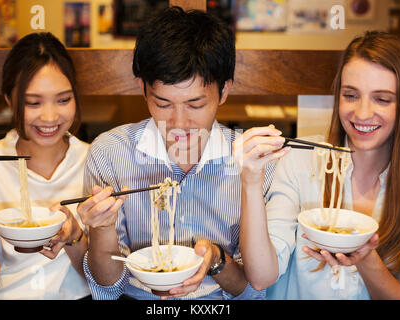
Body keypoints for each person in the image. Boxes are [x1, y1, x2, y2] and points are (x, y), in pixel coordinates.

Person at [77, 7, 275, 300]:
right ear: (143, 89)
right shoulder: (109, 153)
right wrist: (102, 229)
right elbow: (109, 288)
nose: (179, 123)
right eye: (163, 104)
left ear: (224, 92)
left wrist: (217, 260)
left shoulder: (254, 163)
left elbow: (255, 290)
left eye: (195, 105)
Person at [235, 31, 400, 299]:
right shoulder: (300, 160)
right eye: (351, 95)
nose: (362, 113)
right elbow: (261, 277)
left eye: (382, 99)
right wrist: (250, 181)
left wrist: (365, 258)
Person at [0, 32, 91, 299]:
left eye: (64, 100)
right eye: (33, 102)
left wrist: (75, 236)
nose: (50, 116)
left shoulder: (95, 161)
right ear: (9, 100)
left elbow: (105, 280)